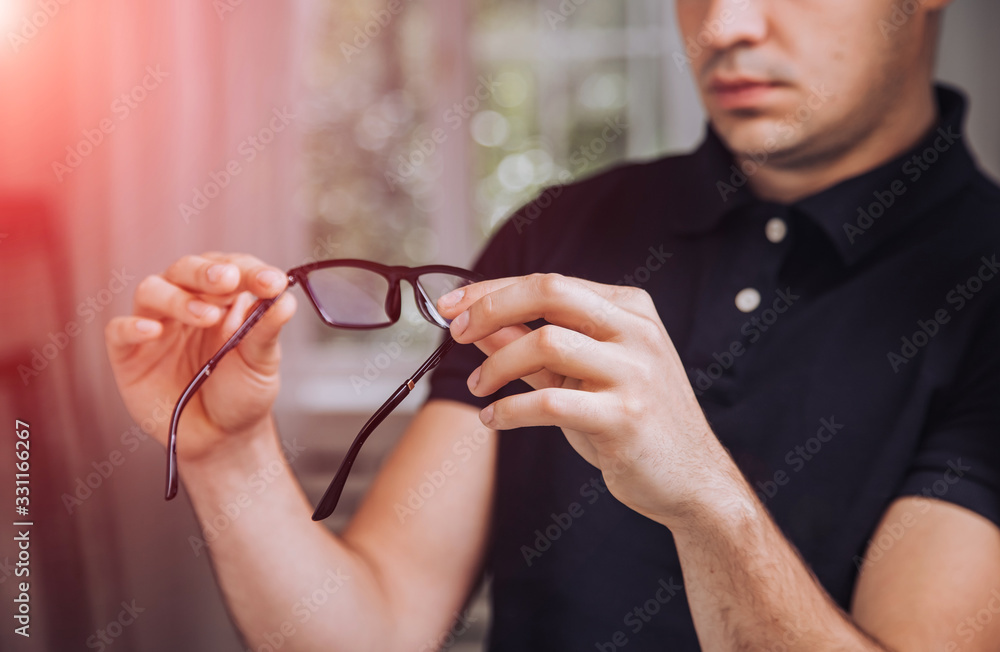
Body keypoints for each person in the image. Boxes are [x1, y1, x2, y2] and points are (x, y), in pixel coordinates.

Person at [106, 0, 1000, 650]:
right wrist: (231, 458)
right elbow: (373, 629)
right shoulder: (559, 233)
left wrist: (702, 499)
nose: (724, 25)